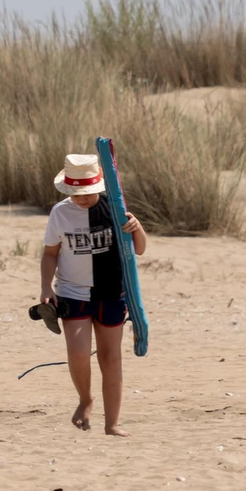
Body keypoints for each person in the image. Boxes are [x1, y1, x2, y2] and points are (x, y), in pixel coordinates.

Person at [39, 153, 147, 437]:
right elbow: (50, 253)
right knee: (77, 353)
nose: (80, 199)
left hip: (112, 293)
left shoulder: (115, 209)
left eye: (86, 193)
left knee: (111, 358)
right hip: (72, 292)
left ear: (99, 187)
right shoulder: (60, 213)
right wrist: (45, 287)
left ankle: (112, 424)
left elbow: (139, 250)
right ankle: (85, 399)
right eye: (75, 193)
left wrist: (137, 228)